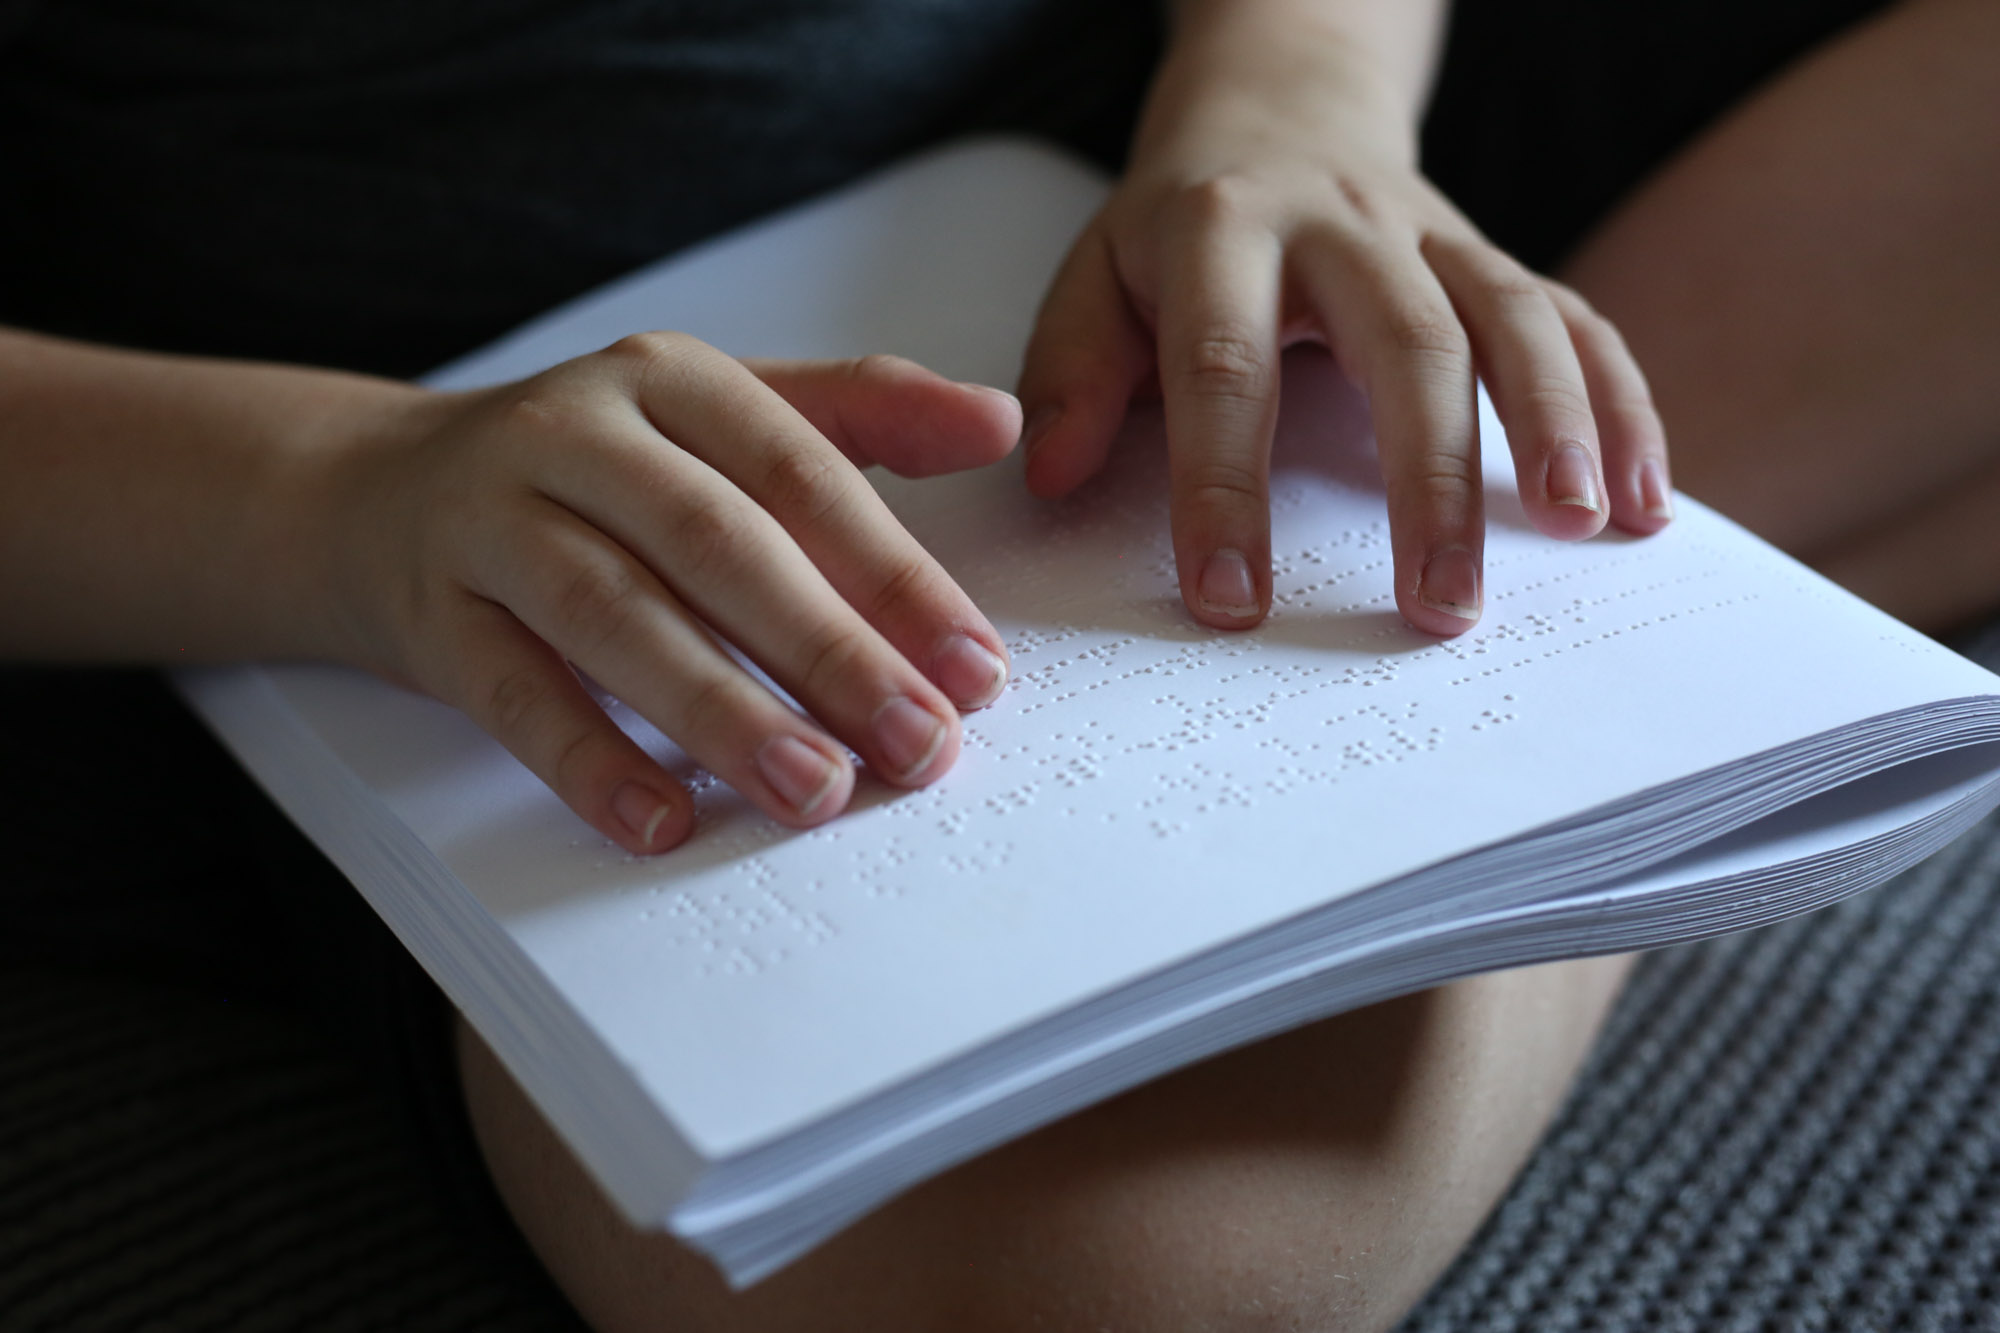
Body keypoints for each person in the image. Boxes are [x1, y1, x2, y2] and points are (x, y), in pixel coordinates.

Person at [3, 1, 1994, 1330]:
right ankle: (1696, 651)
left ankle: (1639, 633)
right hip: (376, 475)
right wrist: (327, 495)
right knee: (1097, 1289)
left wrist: (1291, 96)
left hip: (1190, 139)